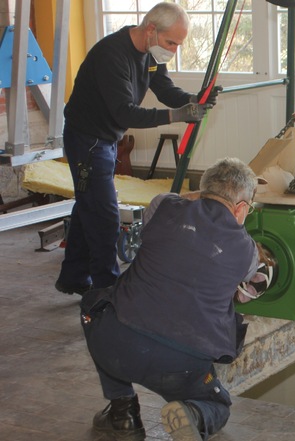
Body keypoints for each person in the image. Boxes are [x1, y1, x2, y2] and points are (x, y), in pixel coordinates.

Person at [80, 157, 270, 441]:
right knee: (219, 405)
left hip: (116, 344)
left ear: (202, 190)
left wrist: (203, 197)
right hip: (180, 366)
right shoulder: (246, 251)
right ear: (242, 208)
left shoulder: (162, 207)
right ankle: (194, 413)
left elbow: (178, 207)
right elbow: (251, 276)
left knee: (91, 306)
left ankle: (123, 412)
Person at [55, 2, 221, 295]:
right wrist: (176, 116)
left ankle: (73, 278)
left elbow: (167, 91)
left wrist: (194, 100)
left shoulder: (151, 54)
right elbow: (125, 113)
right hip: (87, 141)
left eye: (179, 44)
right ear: (150, 29)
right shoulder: (112, 55)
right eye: (171, 42)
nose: (173, 49)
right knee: (105, 216)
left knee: (88, 206)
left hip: (105, 139)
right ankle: (108, 292)